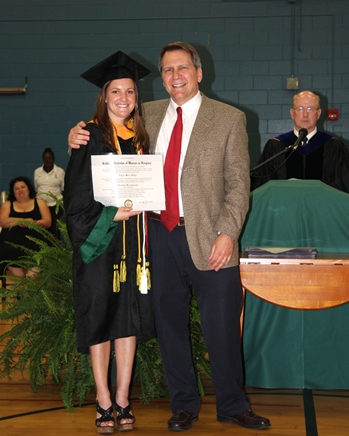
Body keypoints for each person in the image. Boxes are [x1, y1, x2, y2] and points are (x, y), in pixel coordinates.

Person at [67, 42, 271, 432]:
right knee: (170, 325)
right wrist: (76, 132)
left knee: (222, 326)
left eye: (182, 68)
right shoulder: (150, 114)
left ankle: (232, 403)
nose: (174, 76)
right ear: (161, 78)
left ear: (198, 71)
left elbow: (237, 185)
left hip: (211, 237)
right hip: (157, 237)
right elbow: (106, 122)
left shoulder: (229, 118)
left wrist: (228, 232)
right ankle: (183, 404)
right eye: (166, 70)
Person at [64, 51, 155, 433]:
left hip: (136, 249)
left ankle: (122, 397)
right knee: (101, 319)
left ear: (137, 96)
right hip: (102, 246)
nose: (123, 98)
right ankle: (102, 398)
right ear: (104, 96)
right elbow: (75, 199)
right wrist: (110, 216)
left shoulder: (143, 138)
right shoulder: (90, 137)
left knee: (128, 319)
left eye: (130, 91)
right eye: (115, 91)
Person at [251, 90, 349, 192]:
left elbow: (343, 186)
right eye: (300, 109)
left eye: (310, 109)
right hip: (284, 207)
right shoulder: (276, 146)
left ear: (318, 114)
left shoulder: (334, 146)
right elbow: (263, 186)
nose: (305, 114)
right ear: (292, 113)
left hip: (321, 207)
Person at [0, 176, 51, 278]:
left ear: (28, 189)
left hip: (35, 241)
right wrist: (21, 221)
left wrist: (31, 224)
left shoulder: (39, 202)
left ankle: (27, 287)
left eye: (23, 187)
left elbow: (47, 221)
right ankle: (22, 287)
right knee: (6, 250)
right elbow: (2, 221)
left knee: (40, 254)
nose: (20, 190)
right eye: (16, 188)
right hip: (11, 243)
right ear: (13, 192)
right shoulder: (7, 204)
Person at [34, 147, 65, 236]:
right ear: (43, 159)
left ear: (53, 159)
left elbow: (63, 189)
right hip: (41, 206)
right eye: (45, 158)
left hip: (56, 206)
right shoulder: (37, 172)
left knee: (55, 230)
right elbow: (36, 189)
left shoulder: (60, 172)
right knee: (42, 231)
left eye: (50, 158)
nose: (48, 160)